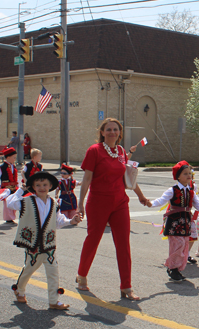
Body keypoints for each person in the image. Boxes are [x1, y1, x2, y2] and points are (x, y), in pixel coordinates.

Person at [76, 118, 149, 300]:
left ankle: (126, 286)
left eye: (115, 129)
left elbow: (128, 177)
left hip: (120, 203)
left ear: (120, 133)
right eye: (108, 129)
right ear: (102, 132)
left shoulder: (121, 151)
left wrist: (140, 196)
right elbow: (86, 179)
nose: (112, 132)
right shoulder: (94, 151)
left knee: (123, 244)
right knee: (93, 239)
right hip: (98, 202)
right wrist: (80, 204)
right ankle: (82, 275)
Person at [6, 172, 83, 310]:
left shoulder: (54, 203)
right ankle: (20, 290)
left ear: (51, 186)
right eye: (38, 185)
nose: (42, 187)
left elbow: (59, 221)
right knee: (29, 269)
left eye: (45, 184)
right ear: (33, 187)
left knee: (53, 271)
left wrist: (71, 221)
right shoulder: (27, 201)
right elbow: (10, 203)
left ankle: (53, 300)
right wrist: (21, 190)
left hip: (49, 244)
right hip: (33, 244)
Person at [146, 161, 199, 281]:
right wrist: (151, 204)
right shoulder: (172, 190)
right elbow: (161, 200)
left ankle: (176, 268)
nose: (188, 176)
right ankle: (172, 267)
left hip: (185, 222)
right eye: (185, 173)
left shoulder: (191, 191)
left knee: (184, 246)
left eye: (189, 173)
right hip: (174, 222)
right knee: (177, 245)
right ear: (178, 176)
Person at [0, 147, 18, 223]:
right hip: (6, 188)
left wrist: (18, 184)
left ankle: (12, 216)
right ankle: (8, 218)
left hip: (14, 187)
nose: (15, 159)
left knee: (14, 202)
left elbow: (15, 176)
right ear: (8, 157)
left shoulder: (13, 167)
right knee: (7, 203)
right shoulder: (2, 167)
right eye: (14, 157)